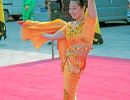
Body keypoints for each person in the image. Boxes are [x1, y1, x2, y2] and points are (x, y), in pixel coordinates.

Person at [18, 0, 97, 99]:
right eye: (70, 8)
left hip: (76, 67)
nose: (71, 11)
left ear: (83, 8)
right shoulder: (68, 27)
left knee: (69, 94)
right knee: (68, 94)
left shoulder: (89, 23)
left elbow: (91, 2)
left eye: (74, 8)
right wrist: (31, 27)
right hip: (68, 65)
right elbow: (52, 36)